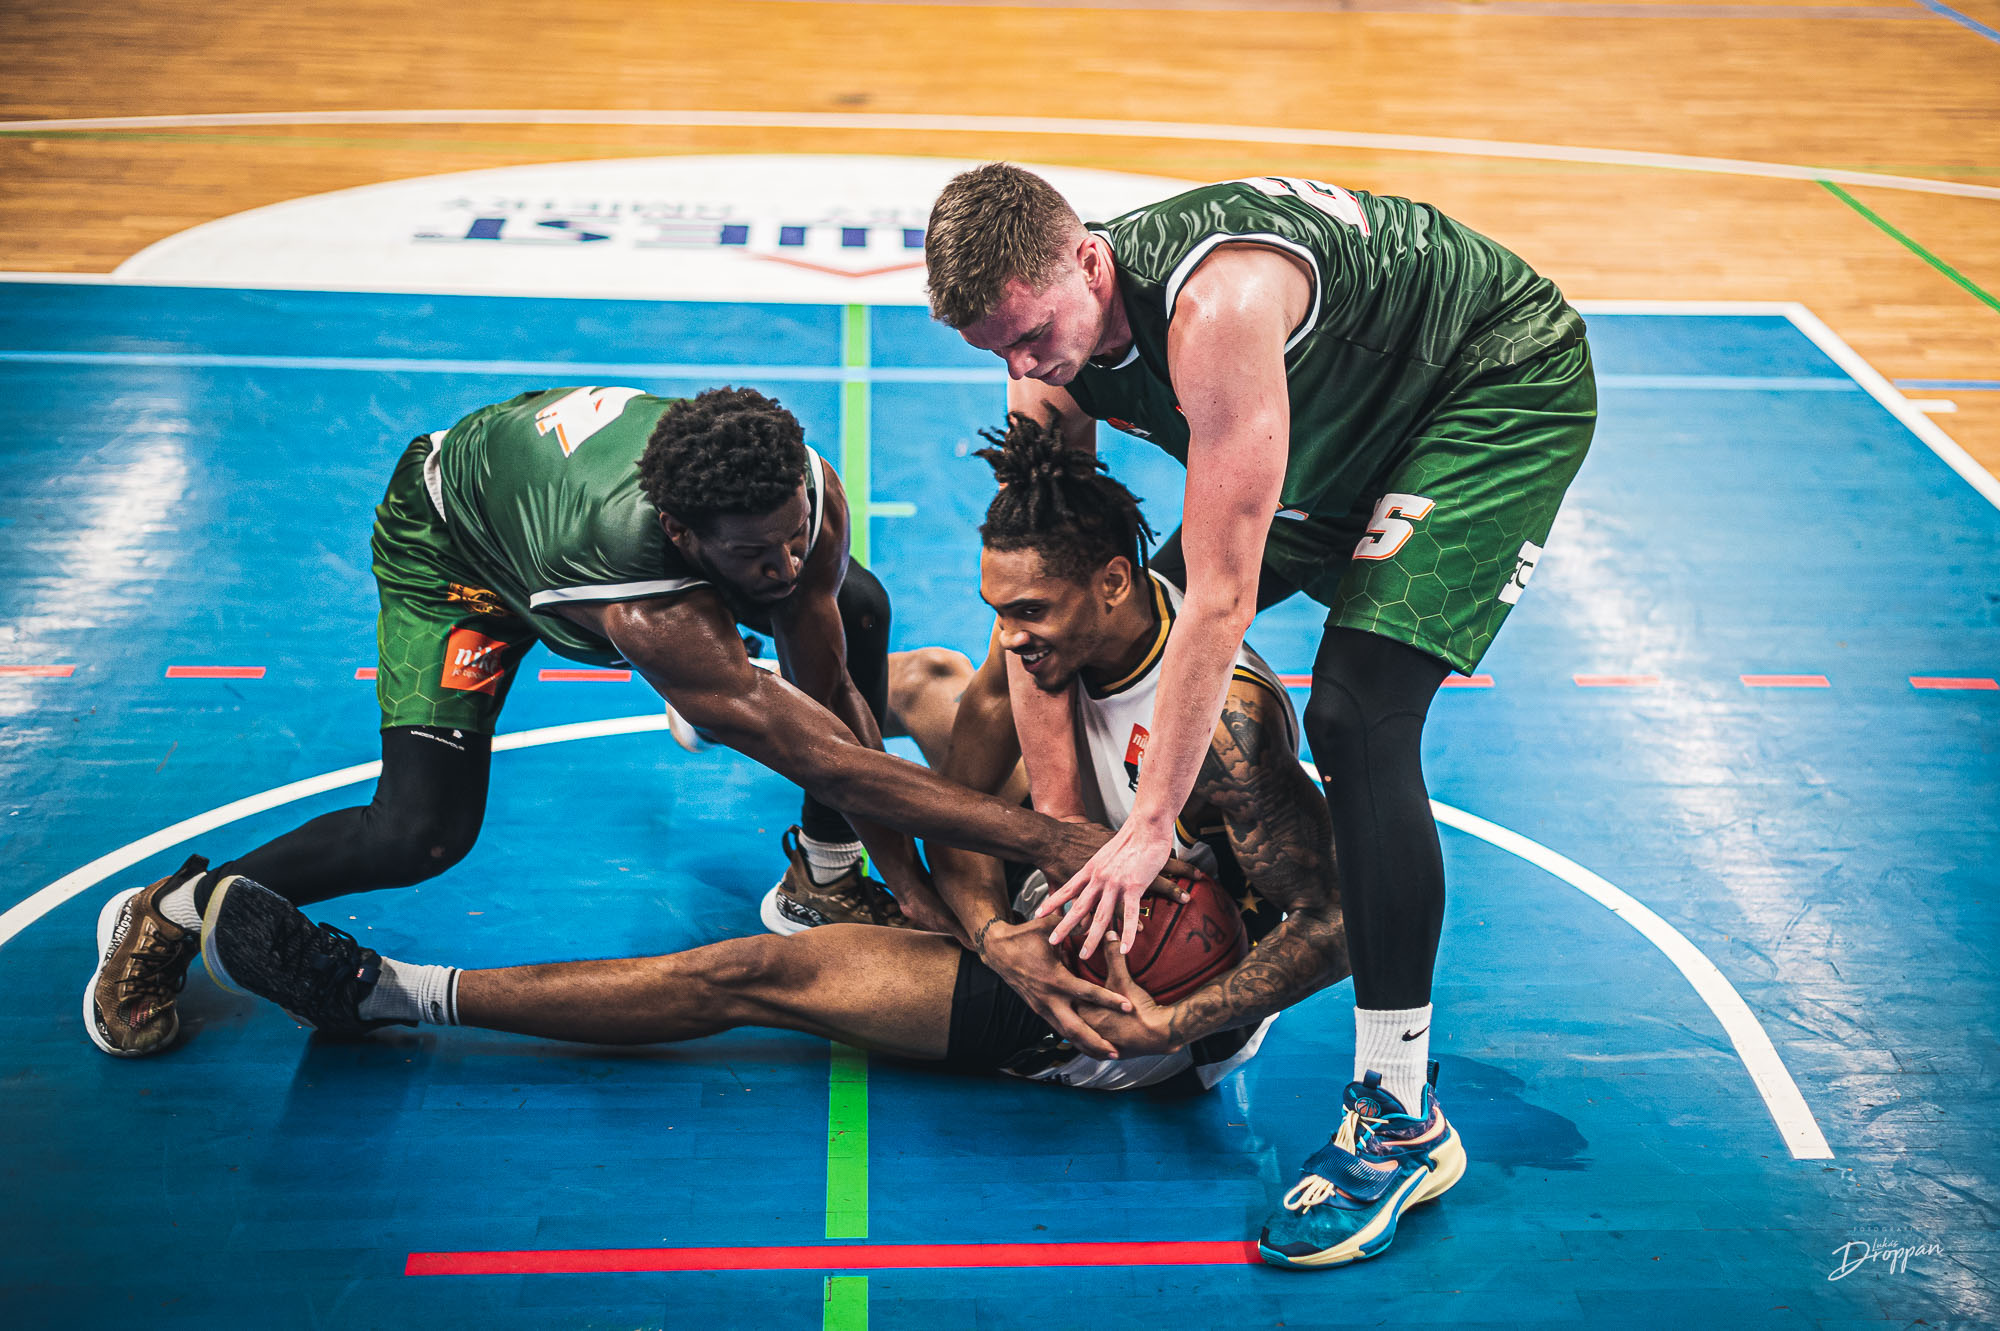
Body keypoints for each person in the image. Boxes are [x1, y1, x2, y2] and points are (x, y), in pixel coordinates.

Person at [188, 419, 1354, 1100]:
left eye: (1030, 611)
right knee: (937, 680)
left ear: (1111, 582)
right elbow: (958, 814)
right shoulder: (1043, 643)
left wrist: (1165, 1023)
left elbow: (1332, 924)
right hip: (1059, 892)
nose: (1012, 632)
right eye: (1001, 605)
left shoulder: (1230, 729)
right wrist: (982, 918)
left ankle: (381, 989)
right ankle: (738, 705)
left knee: (756, 972)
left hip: (1132, 994)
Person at [924, 165, 1596, 1266]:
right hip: (1335, 413)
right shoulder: (1047, 362)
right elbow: (1056, 589)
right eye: (995, 351)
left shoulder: (1218, 309)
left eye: (1033, 336)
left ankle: (1400, 1115)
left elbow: (1220, 600)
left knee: (1356, 714)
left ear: (1089, 261)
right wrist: (1065, 833)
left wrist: (1149, 827)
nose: (1025, 369)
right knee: (1102, 614)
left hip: (1484, 382)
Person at [84, 387, 1139, 1061]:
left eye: (790, 539)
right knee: (421, 831)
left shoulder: (804, 496)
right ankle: (170, 909)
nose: (782, 565)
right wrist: (1048, 840)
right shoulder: (645, 602)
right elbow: (830, 758)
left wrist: (902, 881)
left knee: (848, 608)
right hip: (457, 552)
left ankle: (819, 878)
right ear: (683, 533)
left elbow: (832, 708)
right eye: (753, 555)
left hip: (558, 504)